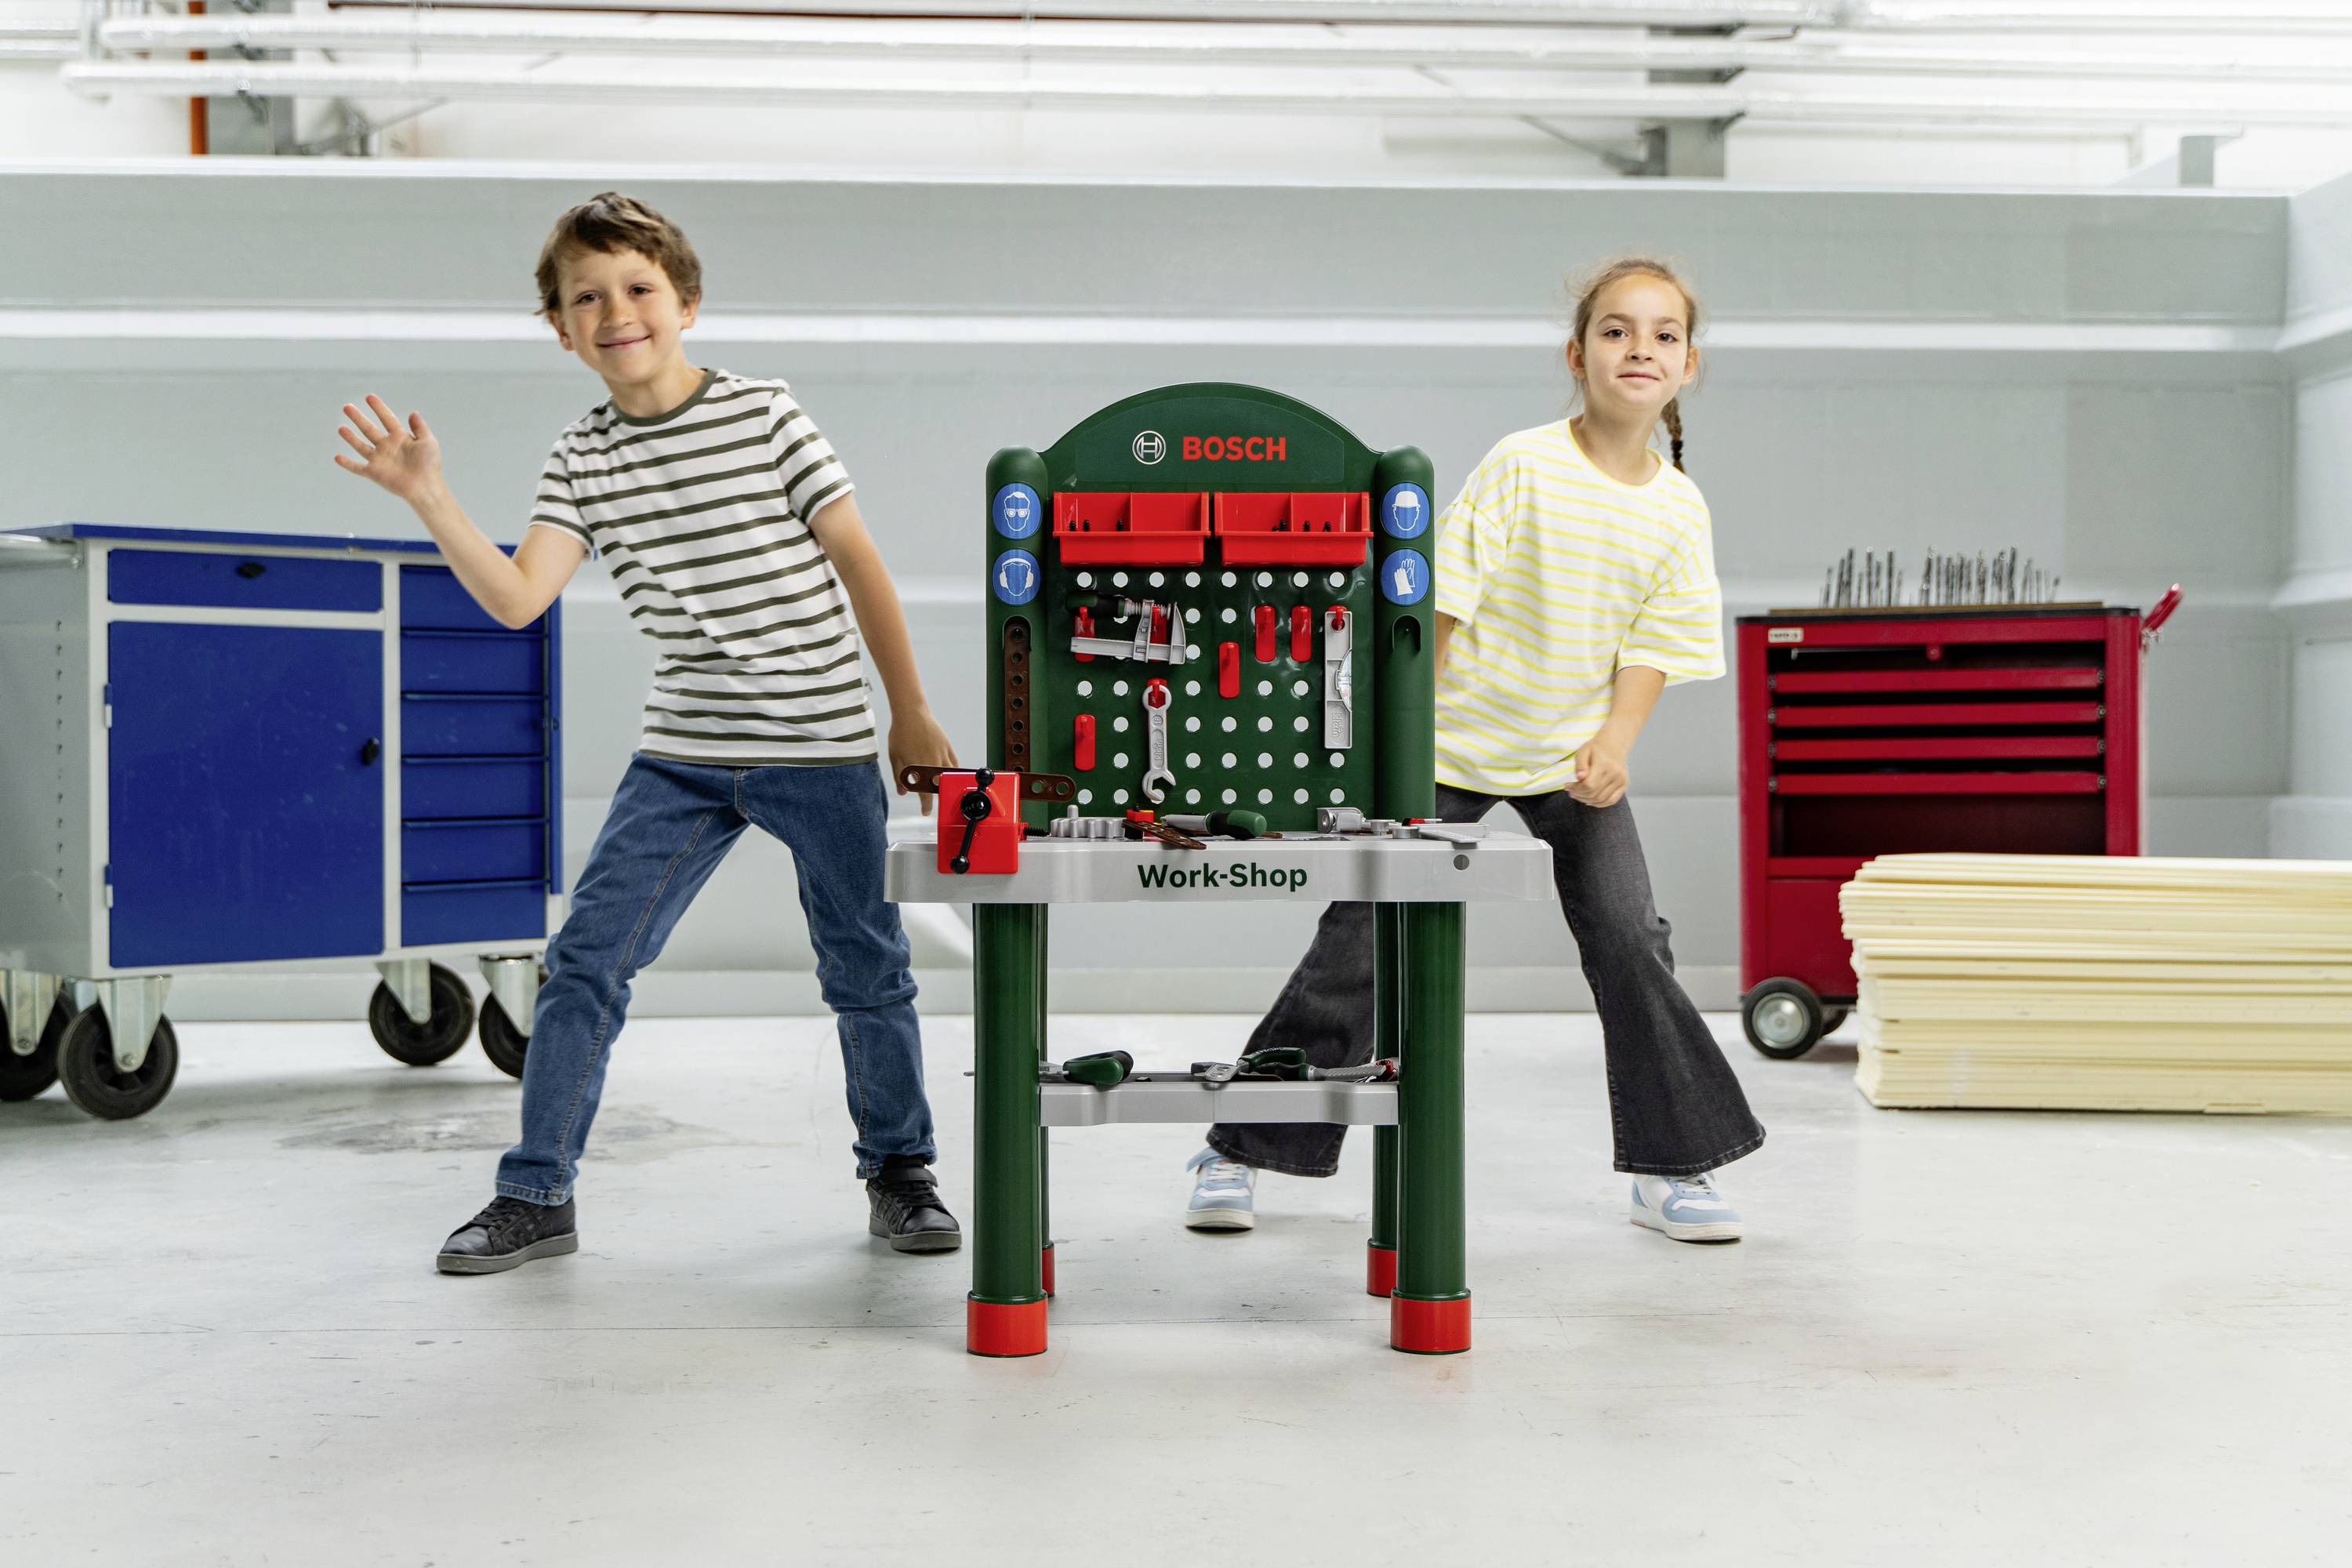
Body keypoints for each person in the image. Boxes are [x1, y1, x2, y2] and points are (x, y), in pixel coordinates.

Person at [333, 192, 964, 1272]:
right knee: (584, 963)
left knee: (868, 968)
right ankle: (537, 1194)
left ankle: (900, 1174)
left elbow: (859, 561)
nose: (615, 311)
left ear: (686, 304)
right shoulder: (580, 458)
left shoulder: (767, 412)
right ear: (562, 329)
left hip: (820, 743)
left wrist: (908, 708)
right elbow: (522, 597)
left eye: (637, 288)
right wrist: (431, 498)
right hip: (683, 753)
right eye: (587, 298)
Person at [1182, 256, 1765, 1244]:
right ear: (1577, 355)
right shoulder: (1523, 463)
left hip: (1565, 757)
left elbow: (1655, 646)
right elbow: (1437, 608)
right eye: (1618, 331)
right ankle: (1241, 1145)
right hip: (1446, 744)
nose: (1641, 348)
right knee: (1363, 935)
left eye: (1663, 335)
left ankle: (1672, 1166)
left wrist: (1616, 742)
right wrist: (1387, 744)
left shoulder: (1678, 509)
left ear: (1689, 366)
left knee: (1632, 938)